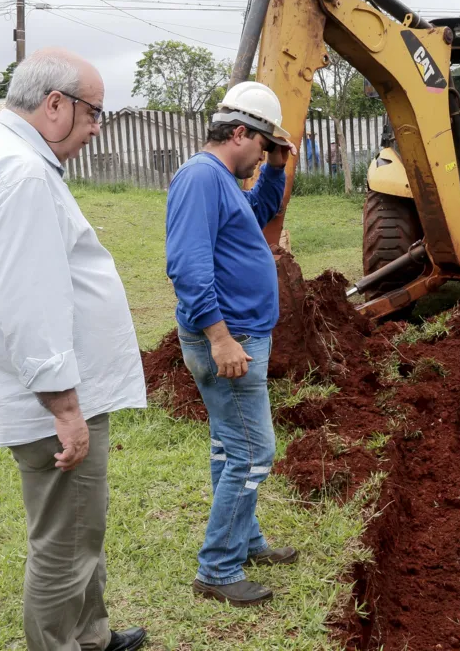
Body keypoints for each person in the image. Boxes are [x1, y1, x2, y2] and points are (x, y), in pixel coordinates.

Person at [0, 48, 148, 651]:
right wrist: (64, 407)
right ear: (55, 104)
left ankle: (92, 638)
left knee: (80, 527)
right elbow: (31, 301)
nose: (96, 129)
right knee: (64, 543)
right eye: (93, 114)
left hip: (36, 389)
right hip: (49, 400)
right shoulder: (21, 171)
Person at [165, 81, 298, 607]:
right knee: (253, 450)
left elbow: (259, 212)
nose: (262, 155)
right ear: (239, 133)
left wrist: (276, 167)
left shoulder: (222, 180)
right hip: (228, 338)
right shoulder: (201, 179)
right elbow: (188, 267)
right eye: (261, 146)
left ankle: (246, 540)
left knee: (229, 444)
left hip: (240, 333)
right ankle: (218, 569)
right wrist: (219, 338)